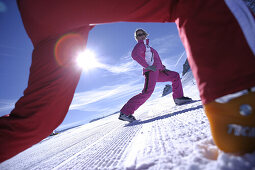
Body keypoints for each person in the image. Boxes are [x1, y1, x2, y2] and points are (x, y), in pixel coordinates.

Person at [0, 0, 255, 163]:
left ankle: (178, 96)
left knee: (39, 120)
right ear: (138, 34)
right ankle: (241, 112)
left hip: (39, 14)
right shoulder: (139, 46)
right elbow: (138, 57)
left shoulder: (149, 45)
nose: (144, 34)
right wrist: (149, 66)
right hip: (147, 69)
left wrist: (159, 65)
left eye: (144, 33)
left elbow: (152, 56)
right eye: (141, 33)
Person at [119, 29, 192, 122]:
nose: (140, 36)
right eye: (138, 35)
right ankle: (125, 112)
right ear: (136, 38)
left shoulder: (148, 47)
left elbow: (154, 60)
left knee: (175, 75)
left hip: (158, 71)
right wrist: (148, 66)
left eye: (142, 34)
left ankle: (178, 98)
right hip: (151, 72)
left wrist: (162, 67)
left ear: (145, 35)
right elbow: (135, 55)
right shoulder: (140, 45)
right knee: (147, 92)